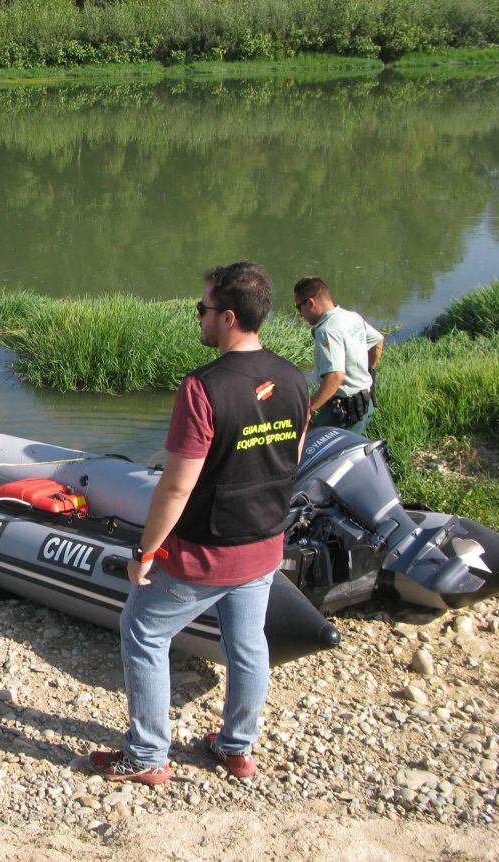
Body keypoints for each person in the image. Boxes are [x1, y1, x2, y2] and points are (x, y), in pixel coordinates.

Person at [90, 262, 309, 786]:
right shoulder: (295, 377)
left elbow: (176, 486)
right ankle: (237, 748)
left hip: (208, 551)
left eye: (203, 308)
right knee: (248, 645)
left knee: (142, 630)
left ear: (228, 316)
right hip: (264, 544)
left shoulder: (203, 387)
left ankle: (146, 756)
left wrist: (146, 551)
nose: (199, 317)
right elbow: (291, 456)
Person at [294, 277, 384, 435]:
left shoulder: (327, 330)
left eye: (298, 308)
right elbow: (378, 341)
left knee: (318, 452)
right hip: (366, 404)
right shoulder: (351, 316)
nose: (301, 315)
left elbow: (335, 376)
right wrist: (368, 373)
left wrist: (309, 409)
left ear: (310, 303)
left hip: (343, 414)